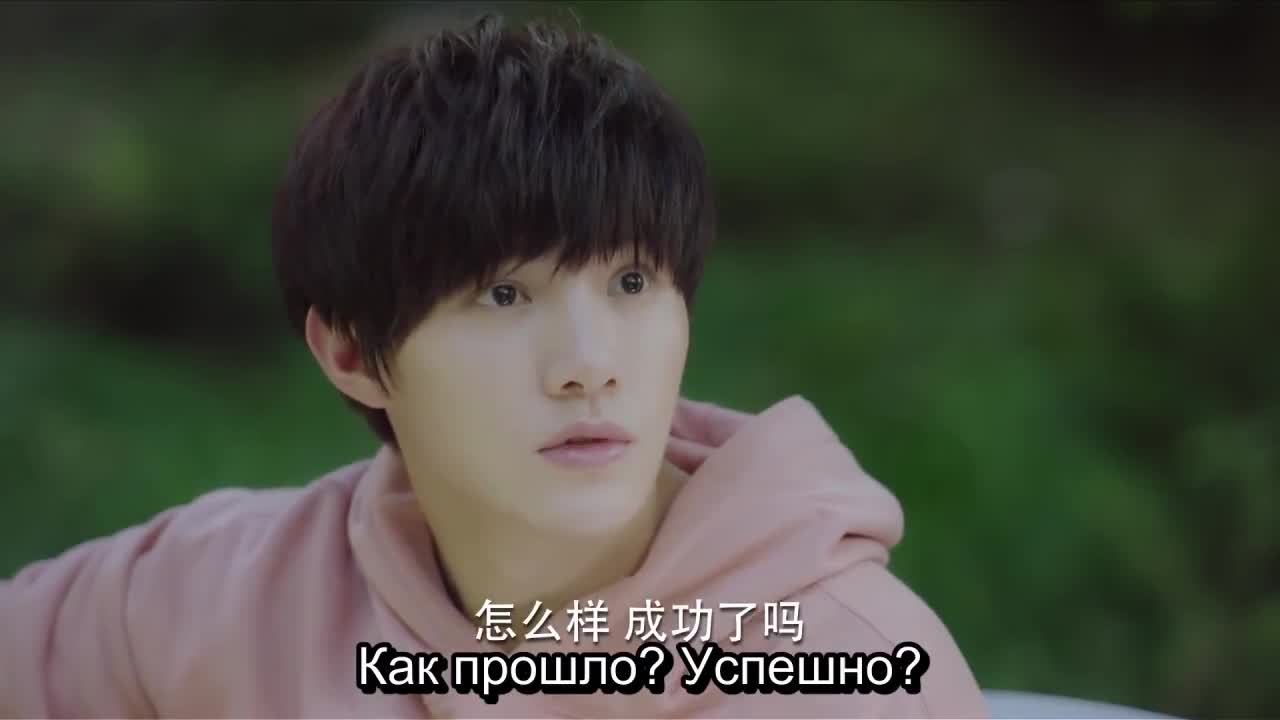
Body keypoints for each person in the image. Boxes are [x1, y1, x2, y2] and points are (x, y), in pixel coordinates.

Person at [0, 14, 988, 719]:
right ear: (352, 352)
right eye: (504, 296)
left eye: (631, 283)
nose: (588, 367)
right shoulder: (238, 591)